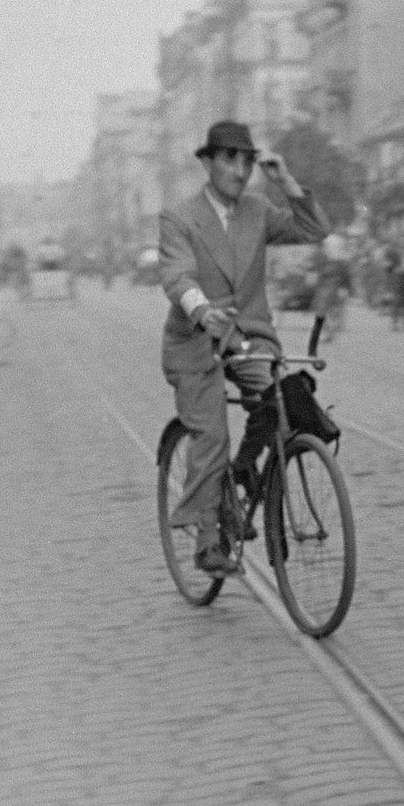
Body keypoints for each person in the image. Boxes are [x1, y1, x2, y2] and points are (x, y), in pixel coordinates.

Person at [158, 120, 331, 576]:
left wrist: (286, 183)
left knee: (281, 400)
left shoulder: (257, 210)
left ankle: (241, 470)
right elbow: (177, 275)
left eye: (247, 160)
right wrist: (200, 310)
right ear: (207, 162)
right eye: (230, 159)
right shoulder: (179, 216)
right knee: (211, 431)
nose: (240, 169)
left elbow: (314, 230)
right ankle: (209, 539)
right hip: (196, 341)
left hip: (248, 337)